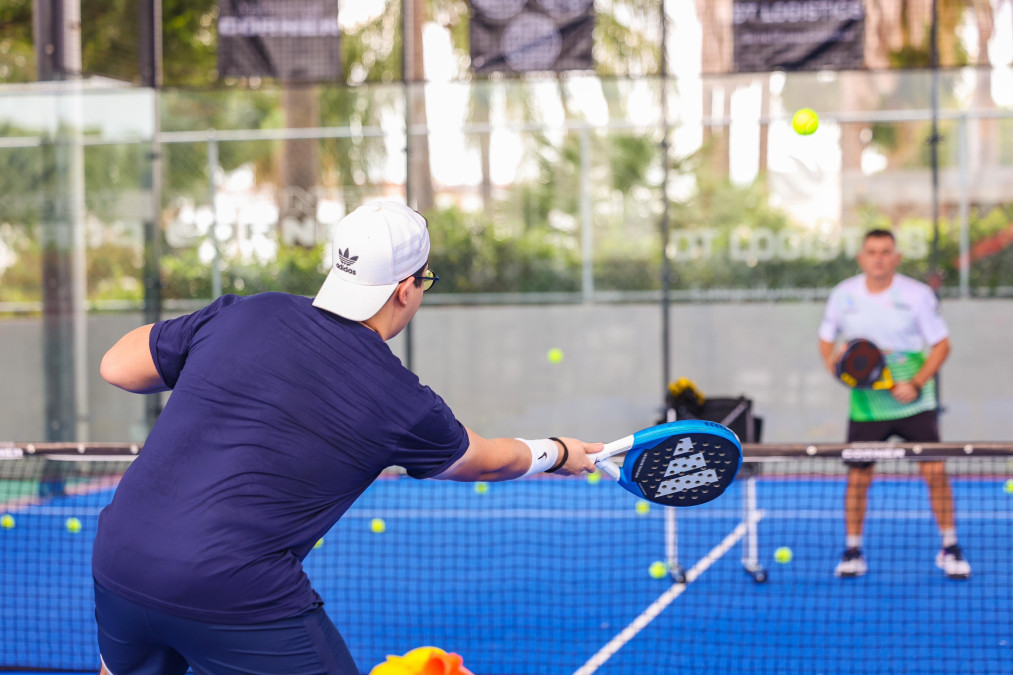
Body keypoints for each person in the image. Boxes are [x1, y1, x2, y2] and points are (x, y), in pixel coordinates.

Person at [92, 201, 603, 675]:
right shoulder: (399, 399)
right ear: (406, 289)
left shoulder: (248, 310)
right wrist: (558, 451)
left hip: (120, 560)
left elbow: (117, 366)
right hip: (234, 590)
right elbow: (487, 460)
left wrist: (207, 340)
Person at [818, 228, 970, 580]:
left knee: (935, 473)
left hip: (914, 403)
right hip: (867, 406)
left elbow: (941, 344)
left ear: (896, 257)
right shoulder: (843, 295)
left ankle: (950, 546)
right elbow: (826, 341)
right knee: (858, 479)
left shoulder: (917, 296)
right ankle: (853, 549)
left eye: (886, 251)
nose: (879, 258)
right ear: (862, 257)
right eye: (872, 251)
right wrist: (835, 368)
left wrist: (916, 383)